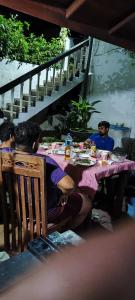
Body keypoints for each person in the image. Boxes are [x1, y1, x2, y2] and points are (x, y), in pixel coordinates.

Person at [1, 220, 135, 300]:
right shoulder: (51, 171)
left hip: (25, 216)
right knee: (84, 202)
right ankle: (70, 226)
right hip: (47, 215)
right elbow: (68, 185)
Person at [14, 121, 91, 228]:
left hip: (18, 207)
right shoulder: (43, 161)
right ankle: (63, 231)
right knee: (86, 201)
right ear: (34, 144)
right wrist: (63, 193)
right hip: (44, 211)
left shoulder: (5, 156)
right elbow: (69, 186)